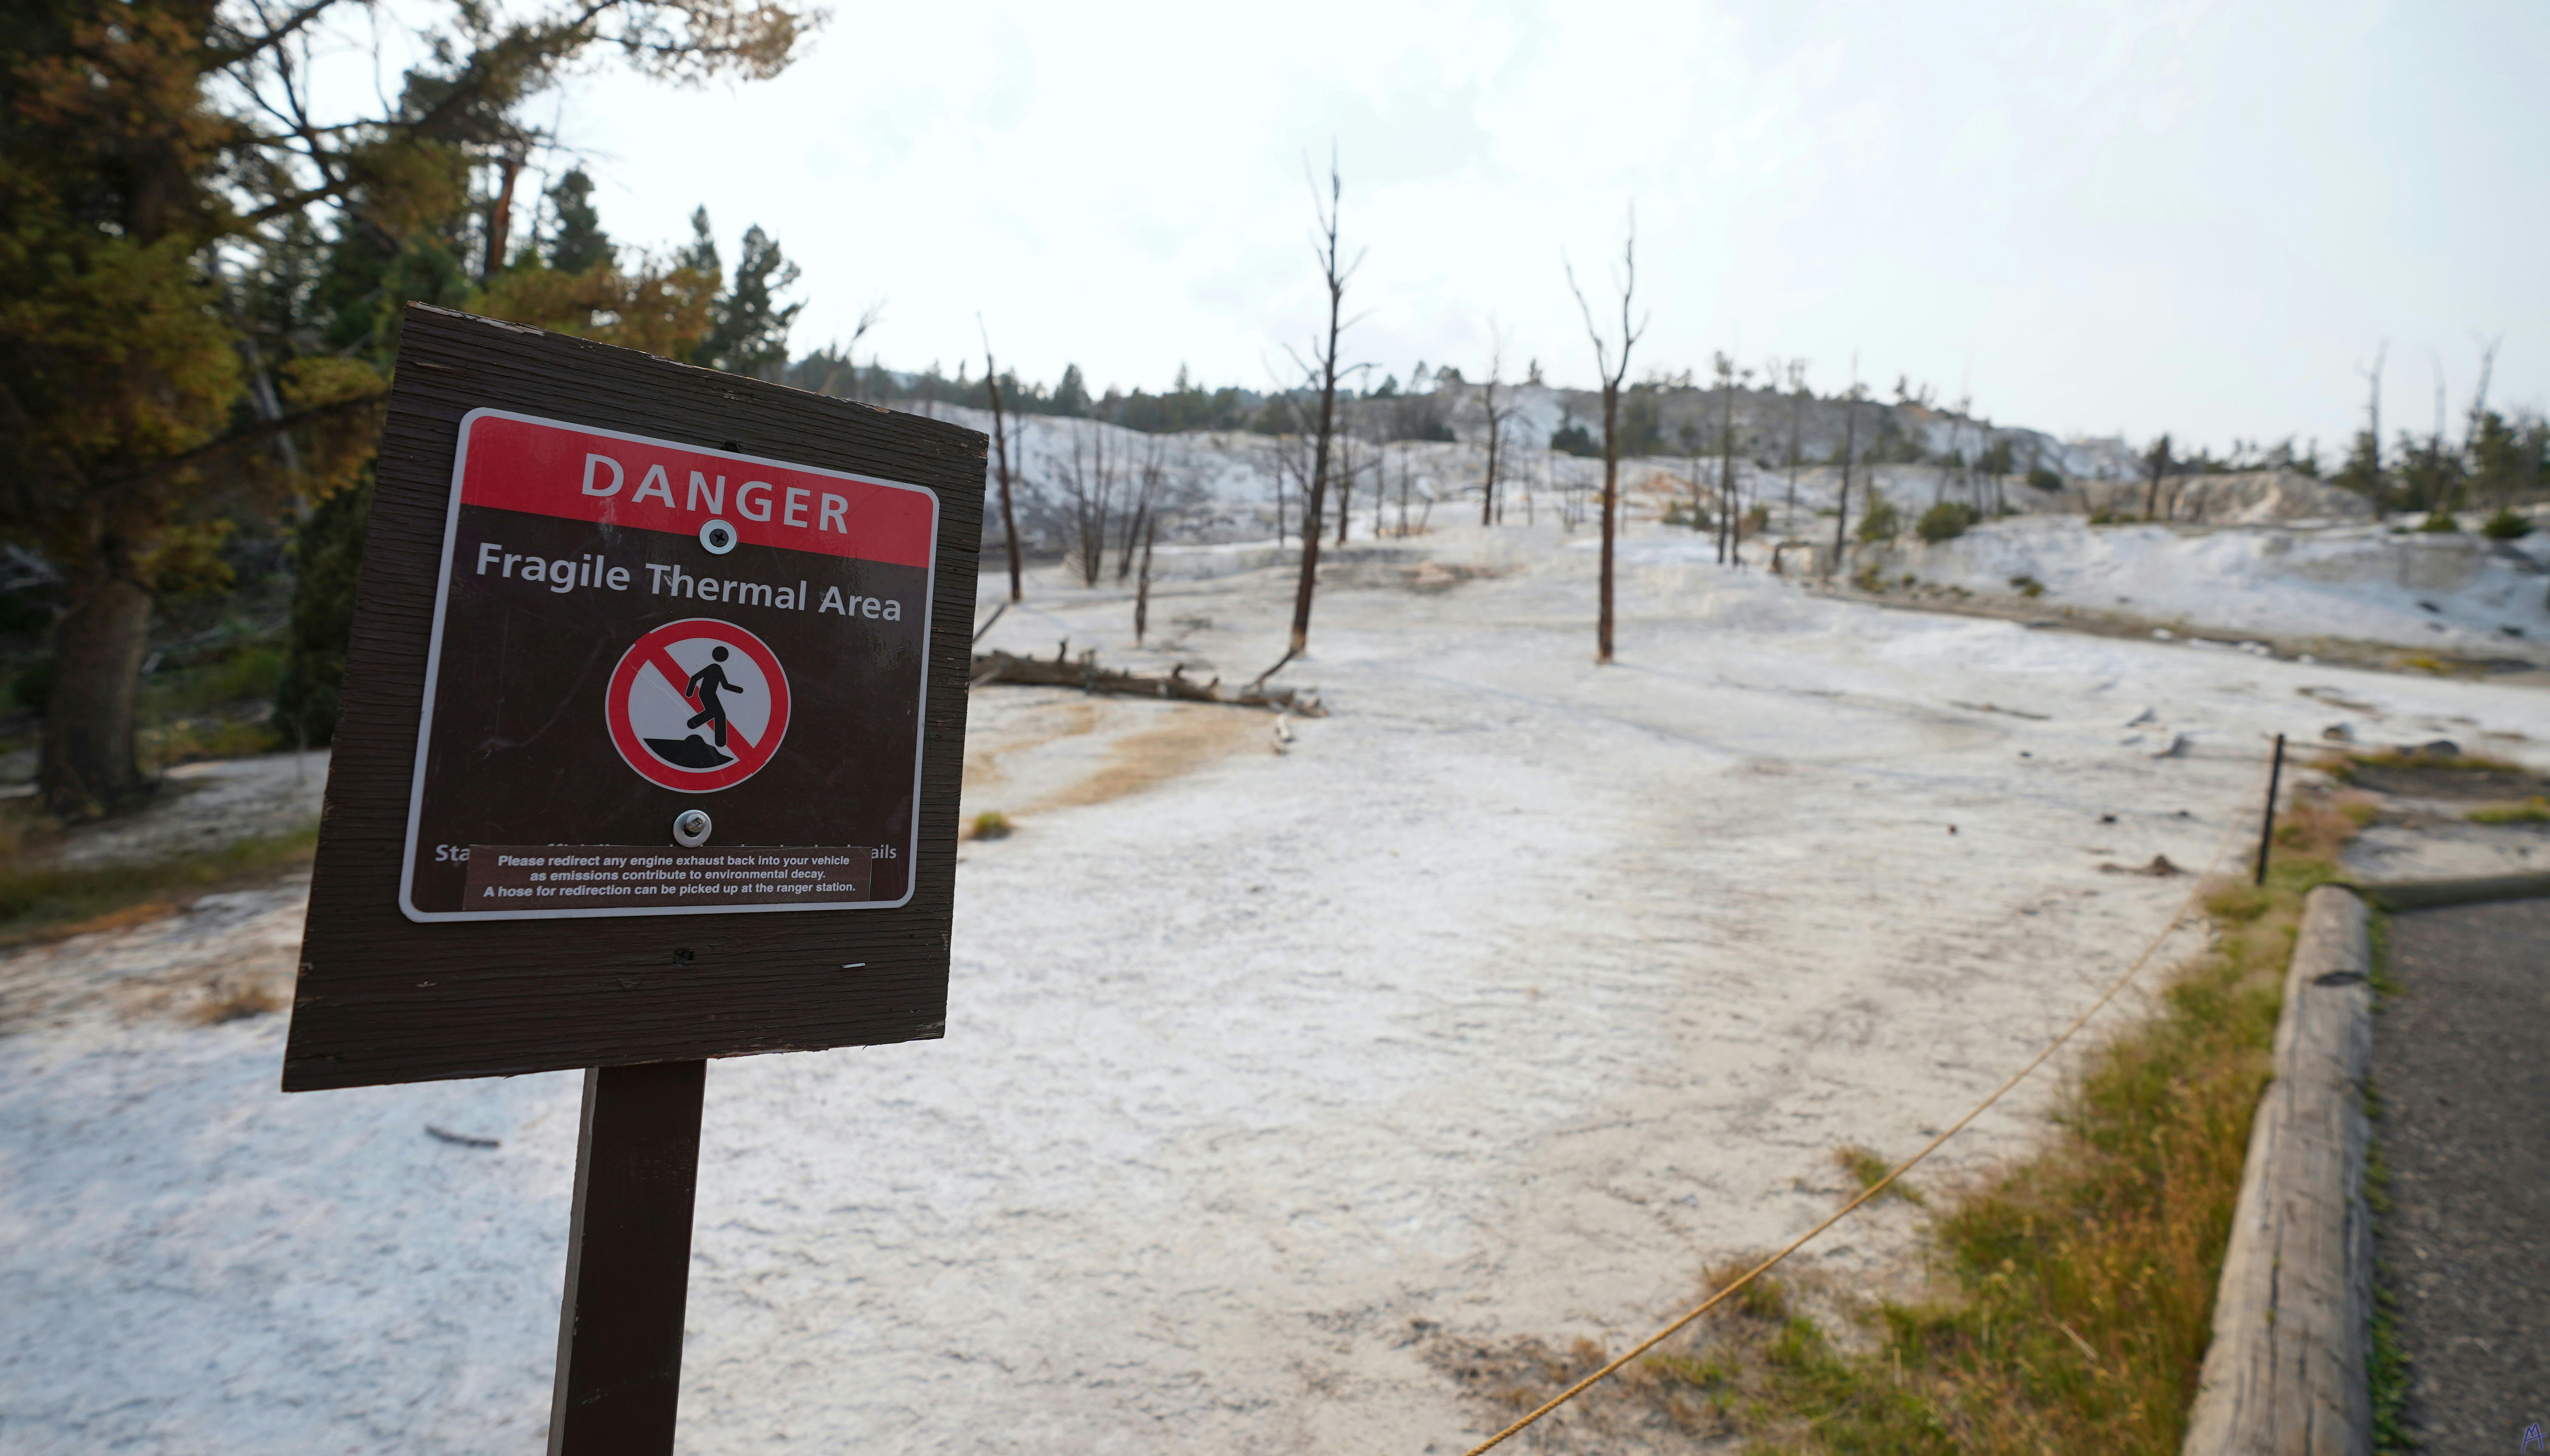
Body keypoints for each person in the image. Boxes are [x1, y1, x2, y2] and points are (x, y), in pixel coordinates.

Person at [685, 645, 745, 749]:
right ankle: (719, 741)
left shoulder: (718, 669)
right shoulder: (714, 667)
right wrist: (689, 692)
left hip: (710, 694)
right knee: (720, 714)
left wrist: (739, 690)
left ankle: (694, 723)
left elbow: (725, 686)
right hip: (706, 694)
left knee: (717, 713)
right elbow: (695, 678)